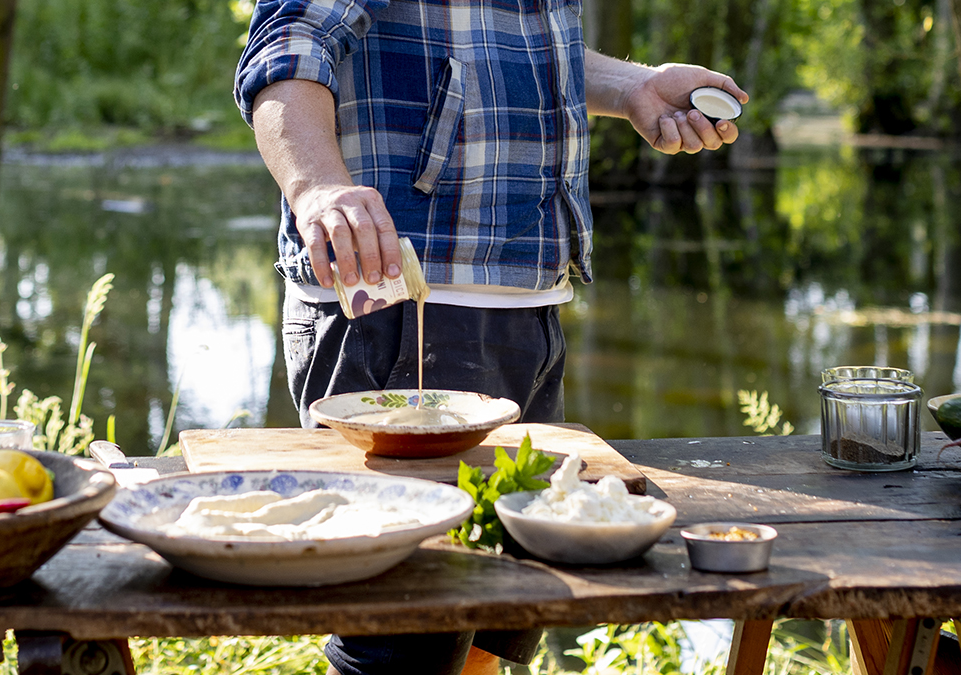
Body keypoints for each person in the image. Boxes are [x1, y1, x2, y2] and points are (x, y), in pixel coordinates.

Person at [234, 0, 748, 672]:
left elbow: (499, 45)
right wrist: (318, 189)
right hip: (404, 309)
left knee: (497, 613)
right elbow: (287, 41)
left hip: (530, 309)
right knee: (404, 638)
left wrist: (631, 89)